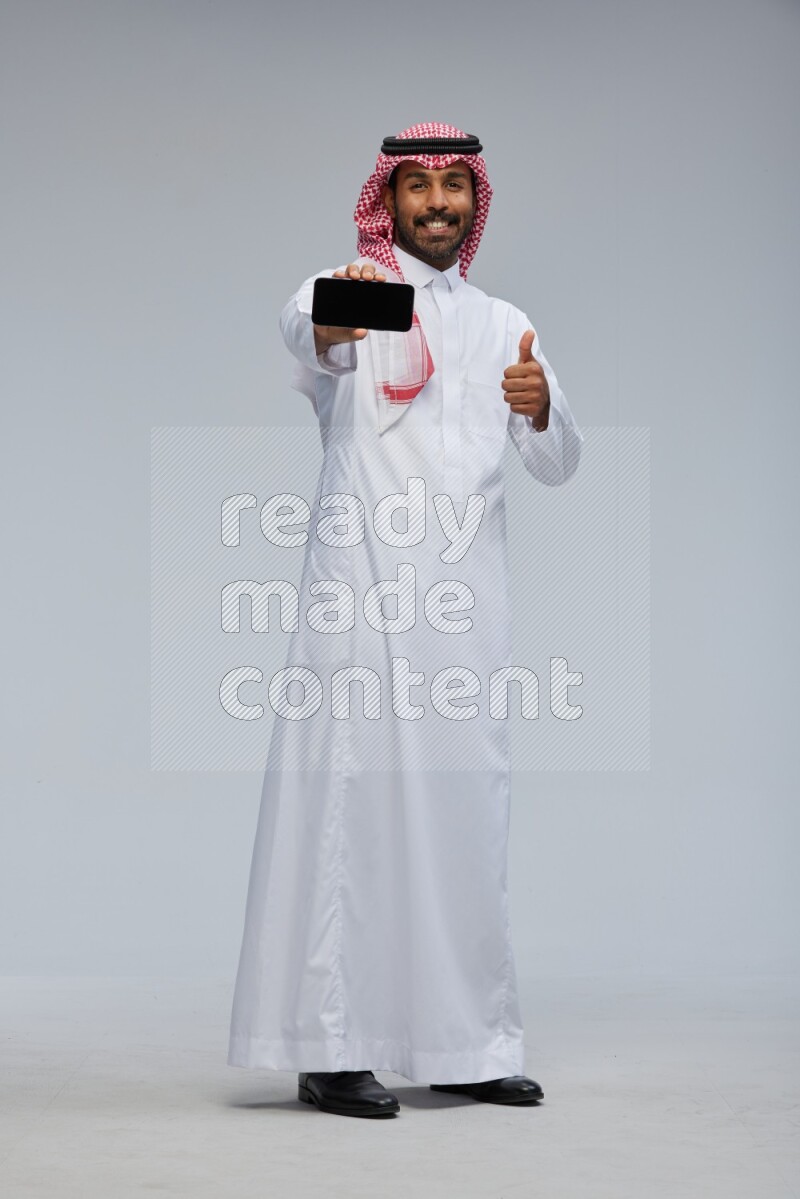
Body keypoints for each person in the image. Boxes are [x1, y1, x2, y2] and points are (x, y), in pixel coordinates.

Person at [227, 122, 583, 1118]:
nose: (434, 203)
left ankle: (463, 1042)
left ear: (475, 202)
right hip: (359, 599)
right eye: (415, 186)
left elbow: (556, 463)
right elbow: (305, 330)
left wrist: (542, 404)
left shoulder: (506, 320)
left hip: (464, 613)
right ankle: (328, 1047)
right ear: (384, 200)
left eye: (452, 187)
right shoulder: (350, 288)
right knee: (347, 811)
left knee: (465, 819)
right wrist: (340, 317)